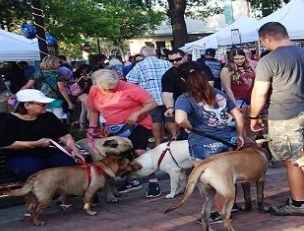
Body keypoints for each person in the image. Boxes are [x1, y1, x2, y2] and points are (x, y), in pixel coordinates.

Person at [249, 22, 304, 216]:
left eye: (263, 42)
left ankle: (298, 203)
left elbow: (259, 93)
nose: (264, 46)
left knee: (293, 159)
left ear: (267, 38)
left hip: (285, 115)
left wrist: (253, 116)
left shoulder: (269, 60)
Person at [174, 65, 246, 223]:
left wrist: (191, 128)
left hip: (202, 144)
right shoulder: (218, 94)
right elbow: (238, 116)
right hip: (225, 141)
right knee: (227, 177)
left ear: (183, 80)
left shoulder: (185, 98)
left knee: (209, 182)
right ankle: (229, 206)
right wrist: (240, 134)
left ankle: (220, 213)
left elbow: (179, 119)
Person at [0, 89, 85, 209]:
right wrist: (33, 144)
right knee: (31, 168)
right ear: (27, 105)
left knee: (67, 164)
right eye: (41, 104)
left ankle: (64, 198)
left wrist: (74, 149)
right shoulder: (9, 120)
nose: (45, 106)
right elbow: (4, 143)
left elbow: (64, 134)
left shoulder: (48, 116)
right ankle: (31, 204)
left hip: (49, 153)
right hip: (21, 156)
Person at [87, 69, 161, 197]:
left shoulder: (130, 88)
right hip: (115, 127)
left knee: (139, 151)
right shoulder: (94, 91)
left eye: (114, 86)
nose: (112, 89)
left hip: (137, 124)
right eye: (108, 88)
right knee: (117, 155)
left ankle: (153, 181)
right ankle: (131, 180)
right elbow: (93, 111)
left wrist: (137, 114)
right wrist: (92, 128)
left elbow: (152, 103)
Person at [126, 46, 173, 145]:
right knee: (170, 119)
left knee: (155, 121)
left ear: (142, 55)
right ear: (155, 53)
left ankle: (158, 142)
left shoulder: (139, 66)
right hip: (168, 97)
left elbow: (130, 81)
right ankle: (174, 139)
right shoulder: (167, 63)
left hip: (151, 99)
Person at [161, 50, 213, 136]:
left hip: (204, 103)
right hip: (184, 106)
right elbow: (167, 93)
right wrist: (169, 107)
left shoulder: (199, 67)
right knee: (187, 135)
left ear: (185, 57)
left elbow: (210, 84)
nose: (175, 62)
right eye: (171, 60)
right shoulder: (168, 74)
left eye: (178, 59)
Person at [20, 55, 74, 121]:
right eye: (57, 62)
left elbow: (27, 86)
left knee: (46, 119)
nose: (59, 64)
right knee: (58, 119)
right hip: (56, 100)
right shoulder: (57, 75)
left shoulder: (37, 74)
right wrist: (69, 102)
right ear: (52, 63)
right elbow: (62, 89)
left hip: (42, 100)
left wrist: (18, 94)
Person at [221, 47, 256, 113]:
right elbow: (227, 89)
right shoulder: (226, 69)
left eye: (242, 58)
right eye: (236, 59)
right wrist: (234, 105)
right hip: (238, 99)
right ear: (231, 59)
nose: (240, 61)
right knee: (243, 120)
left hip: (253, 97)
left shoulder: (249, 66)